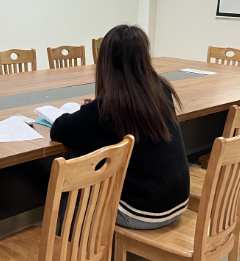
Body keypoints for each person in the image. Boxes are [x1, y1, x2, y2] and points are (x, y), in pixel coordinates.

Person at [50, 25, 190, 230]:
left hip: (144, 212)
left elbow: (59, 130)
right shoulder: (160, 88)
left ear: (106, 62)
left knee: (77, 171)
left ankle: (69, 244)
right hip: (176, 202)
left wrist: (90, 110)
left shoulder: (110, 106)